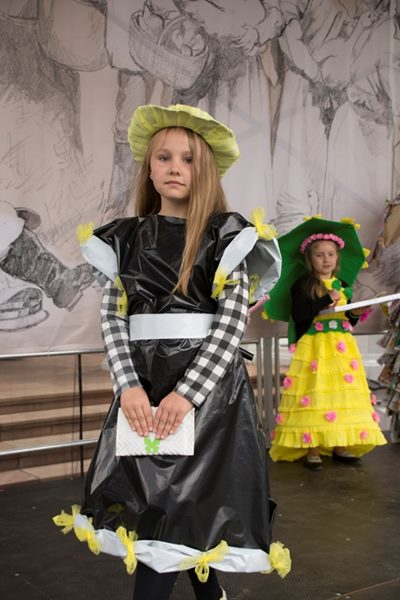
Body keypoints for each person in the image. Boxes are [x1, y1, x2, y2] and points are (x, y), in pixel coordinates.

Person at [53, 103, 290, 599]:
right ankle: (211, 593)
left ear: (205, 171)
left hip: (209, 397)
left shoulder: (227, 237)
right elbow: (113, 319)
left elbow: (230, 325)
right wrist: (129, 386)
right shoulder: (125, 239)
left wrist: (187, 394)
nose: (175, 167)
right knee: (159, 507)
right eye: (164, 157)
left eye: (187, 159)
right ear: (149, 168)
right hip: (143, 389)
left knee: (184, 503)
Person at [267, 217, 387, 470]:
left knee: (340, 395)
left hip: (341, 347)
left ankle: (339, 445)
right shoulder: (303, 285)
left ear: (337, 257)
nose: (326, 259)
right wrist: (325, 299)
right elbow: (300, 315)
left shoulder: (342, 285)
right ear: (310, 259)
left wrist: (355, 312)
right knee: (316, 392)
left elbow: (347, 319)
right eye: (319, 255)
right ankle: (312, 447)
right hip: (316, 346)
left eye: (331, 254)